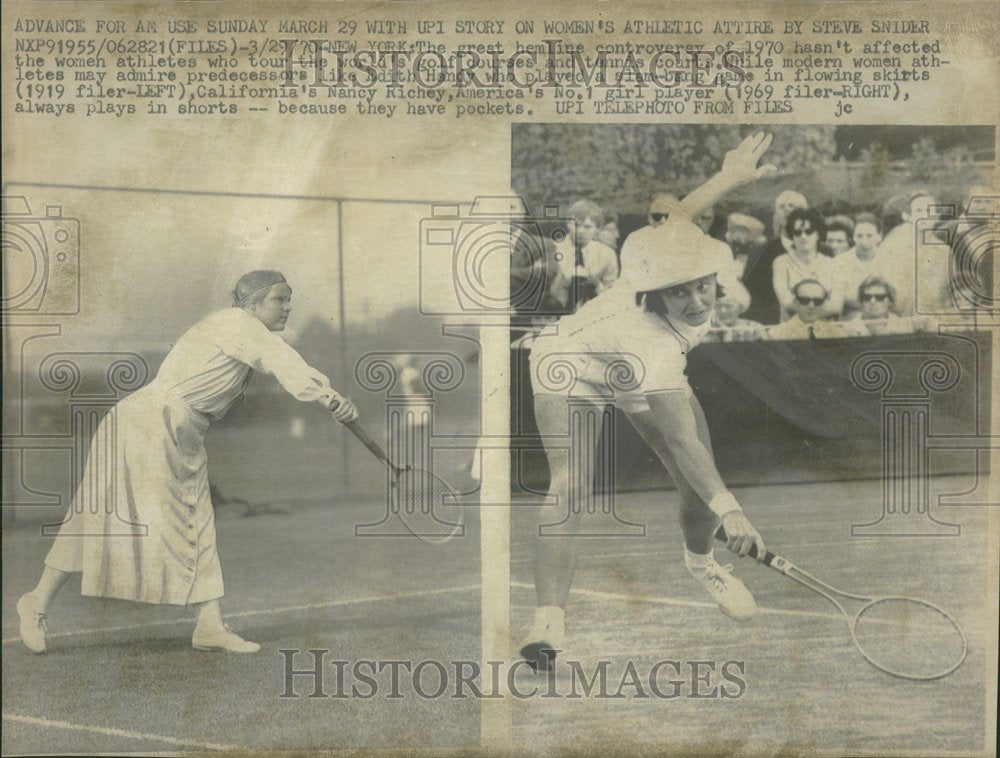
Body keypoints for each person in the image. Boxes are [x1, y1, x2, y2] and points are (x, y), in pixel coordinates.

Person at [520, 133, 775, 671]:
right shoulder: (657, 345)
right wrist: (734, 512)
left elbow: (682, 212)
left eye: (700, 287)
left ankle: (700, 563)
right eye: (679, 292)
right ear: (657, 293)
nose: (696, 299)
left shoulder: (657, 249)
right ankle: (548, 624)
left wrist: (729, 175)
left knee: (693, 485)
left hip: (622, 354)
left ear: (712, 275)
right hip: (568, 358)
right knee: (571, 482)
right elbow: (681, 440)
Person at [17, 270, 359, 655]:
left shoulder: (239, 328)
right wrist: (330, 397)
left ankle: (40, 601)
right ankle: (206, 625)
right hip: (154, 422)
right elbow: (280, 359)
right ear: (252, 304)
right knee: (181, 515)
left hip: (160, 423)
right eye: (280, 299)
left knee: (121, 514)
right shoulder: (237, 324)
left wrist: (326, 397)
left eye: (289, 299)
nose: (288, 307)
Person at [742, 190, 808, 324]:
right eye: (782, 207)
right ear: (776, 215)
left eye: (792, 206)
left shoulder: (822, 250)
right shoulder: (762, 252)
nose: (787, 210)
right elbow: (754, 296)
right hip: (774, 323)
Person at [772, 208, 843, 321]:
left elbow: (837, 306)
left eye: (809, 231)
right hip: (792, 330)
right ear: (792, 236)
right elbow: (786, 303)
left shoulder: (832, 264)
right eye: (798, 232)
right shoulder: (781, 263)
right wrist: (820, 306)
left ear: (818, 234)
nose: (803, 236)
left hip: (825, 330)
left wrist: (804, 307)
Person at [549, 199, 619, 313]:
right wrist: (564, 278)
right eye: (575, 224)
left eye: (587, 226)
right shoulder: (555, 249)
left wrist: (596, 284)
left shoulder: (607, 254)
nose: (580, 231)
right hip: (557, 311)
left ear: (597, 228)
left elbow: (612, 293)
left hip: (595, 312)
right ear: (567, 224)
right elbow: (547, 290)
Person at [766, 279, 846, 340]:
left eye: (818, 301)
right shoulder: (776, 335)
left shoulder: (837, 334)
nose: (811, 306)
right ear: (795, 302)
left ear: (824, 303)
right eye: (804, 300)